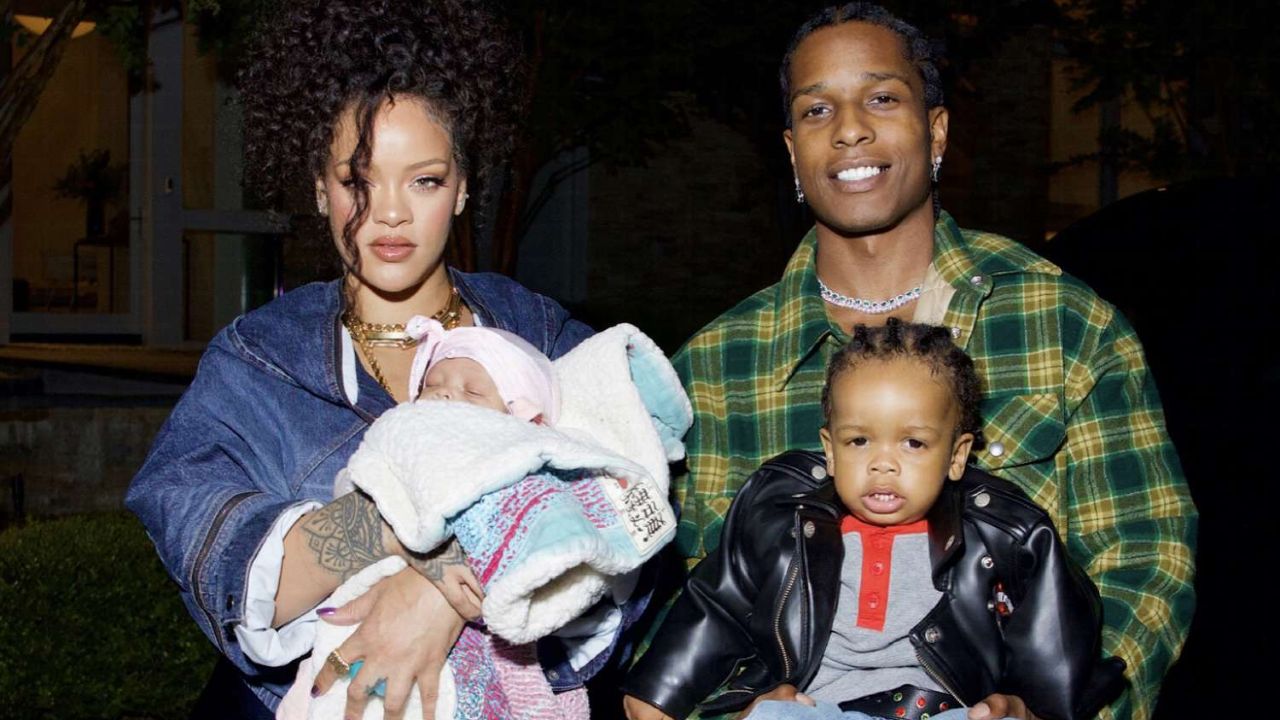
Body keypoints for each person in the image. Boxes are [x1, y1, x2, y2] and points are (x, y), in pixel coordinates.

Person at [665, 5, 1196, 719]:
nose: (850, 127)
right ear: (793, 149)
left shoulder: (1063, 324)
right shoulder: (714, 368)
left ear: (937, 130)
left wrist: (1056, 708)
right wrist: (732, 704)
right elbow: (685, 597)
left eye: (882, 97)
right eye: (818, 108)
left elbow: (1148, 553)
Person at [125, 2, 613, 718]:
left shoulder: (539, 333)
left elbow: (629, 523)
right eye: (358, 181)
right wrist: (403, 525)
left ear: (464, 186)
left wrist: (436, 598)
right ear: (320, 189)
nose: (389, 213)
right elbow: (218, 554)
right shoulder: (258, 361)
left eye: (424, 180)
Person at [624, 321, 1126, 720]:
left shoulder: (1006, 532)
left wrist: (1030, 708)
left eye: (913, 443)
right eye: (859, 440)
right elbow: (720, 600)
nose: (883, 463)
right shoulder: (781, 513)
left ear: (957, 454)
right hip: (814, 707)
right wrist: (660, 692)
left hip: (939, 709)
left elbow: (1051, 634)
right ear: (830, 449)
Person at [279, 319, 688, 719]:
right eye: (431, 385)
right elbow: (362, 484)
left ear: (526, 418)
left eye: (472, 390)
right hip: (363, 621)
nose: (442, 396)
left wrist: (451, 580)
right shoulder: (402, 440)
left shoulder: (539, 463)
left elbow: (568, 549)